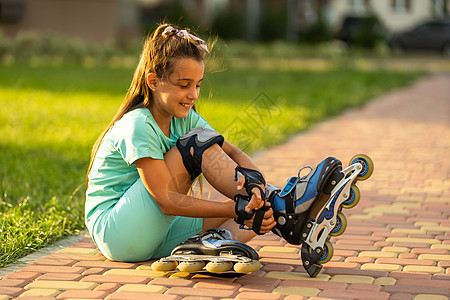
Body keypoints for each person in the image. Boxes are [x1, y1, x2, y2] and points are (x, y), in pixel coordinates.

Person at [85, 23, 277, 262]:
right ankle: (263, 211)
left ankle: (215, 242)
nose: (193, 94)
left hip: (157, 232)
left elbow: (233, 152)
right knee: (197, 143)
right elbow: (166, 200)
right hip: (118, 232)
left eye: (197, 85)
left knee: (255, 213)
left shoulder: (185, 119)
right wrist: (234, 208)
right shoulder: (137, 124)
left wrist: (256, 187)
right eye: (184, 85)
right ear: (153, 82)